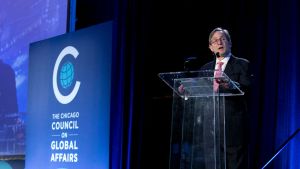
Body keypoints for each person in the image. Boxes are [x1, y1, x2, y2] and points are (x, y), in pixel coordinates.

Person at [201, 27, 252, 169]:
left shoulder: (243, 64)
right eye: (215, 41)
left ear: (229, 43)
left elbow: (247, 88)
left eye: (222, 39)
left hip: (233, 126)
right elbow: (201, 93)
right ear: (210, 47)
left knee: (235, 165)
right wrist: (187, 90)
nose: (219, 42)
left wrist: (230, 85)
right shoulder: (205, 68)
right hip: (210, 126)